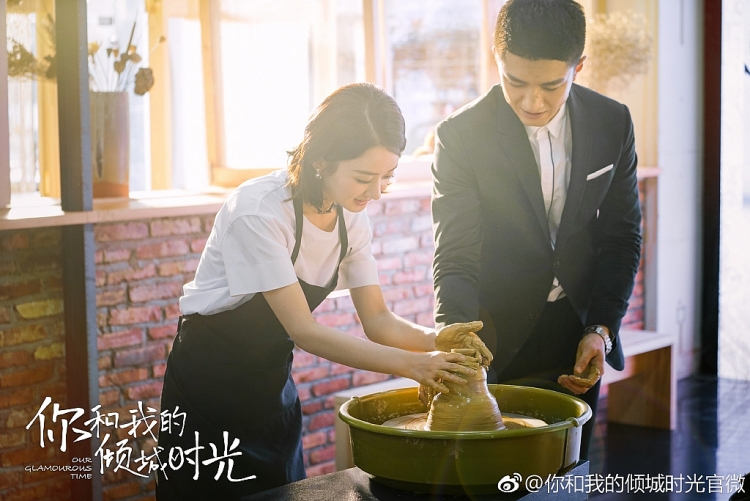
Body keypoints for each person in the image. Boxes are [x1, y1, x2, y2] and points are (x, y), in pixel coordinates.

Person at [155, 82, 491, 500]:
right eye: (363, 178)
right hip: (207, 389)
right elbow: (305, 331)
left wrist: (435, 340)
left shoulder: (351, 217)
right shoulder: (258, 212)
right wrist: (417, 366)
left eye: (387, 177)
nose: (375, 193)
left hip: (271, 388)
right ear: (320, 161)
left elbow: (378, 320)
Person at [431, 0, 642, 460]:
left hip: (577, 335)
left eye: (551, 85)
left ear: (578, 67)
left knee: (568, 471)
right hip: (492, 340)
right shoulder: (461, 135)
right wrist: (458, 343)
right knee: (495, 475)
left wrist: (601, 328)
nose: (532, 101)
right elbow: (456, 253)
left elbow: (621, 237)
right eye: (515, 82)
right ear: (496, 58)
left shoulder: (612, 122)